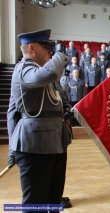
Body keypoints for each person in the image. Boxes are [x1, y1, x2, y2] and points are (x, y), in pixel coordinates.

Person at [7, 29, 72, 211]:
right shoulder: (24, 69)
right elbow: (49, 75)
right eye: (46, 47)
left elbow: (11, 112)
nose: (50, 52)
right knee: (36, 204)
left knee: (53, 199)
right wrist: (60, 54)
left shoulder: (38, 71)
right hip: (35, 146)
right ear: (32, 48)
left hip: (55, 142)